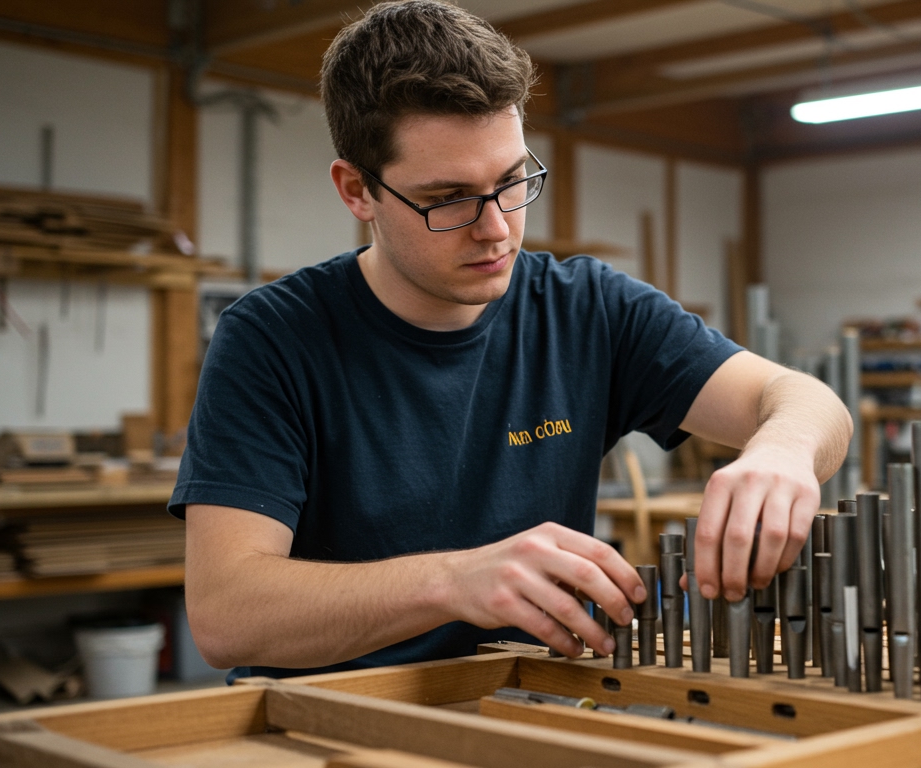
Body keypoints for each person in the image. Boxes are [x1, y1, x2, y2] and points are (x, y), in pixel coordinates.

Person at [173, 0, 851, 680]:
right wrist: (451, 582)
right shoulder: (272, 338)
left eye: (511, 182)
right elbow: (228, 617)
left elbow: (804, 400)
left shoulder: (588, 309)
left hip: (527, 702)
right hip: (330, 723)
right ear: (357, 190)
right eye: (450, 198)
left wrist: (784, 451)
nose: (496, 228)